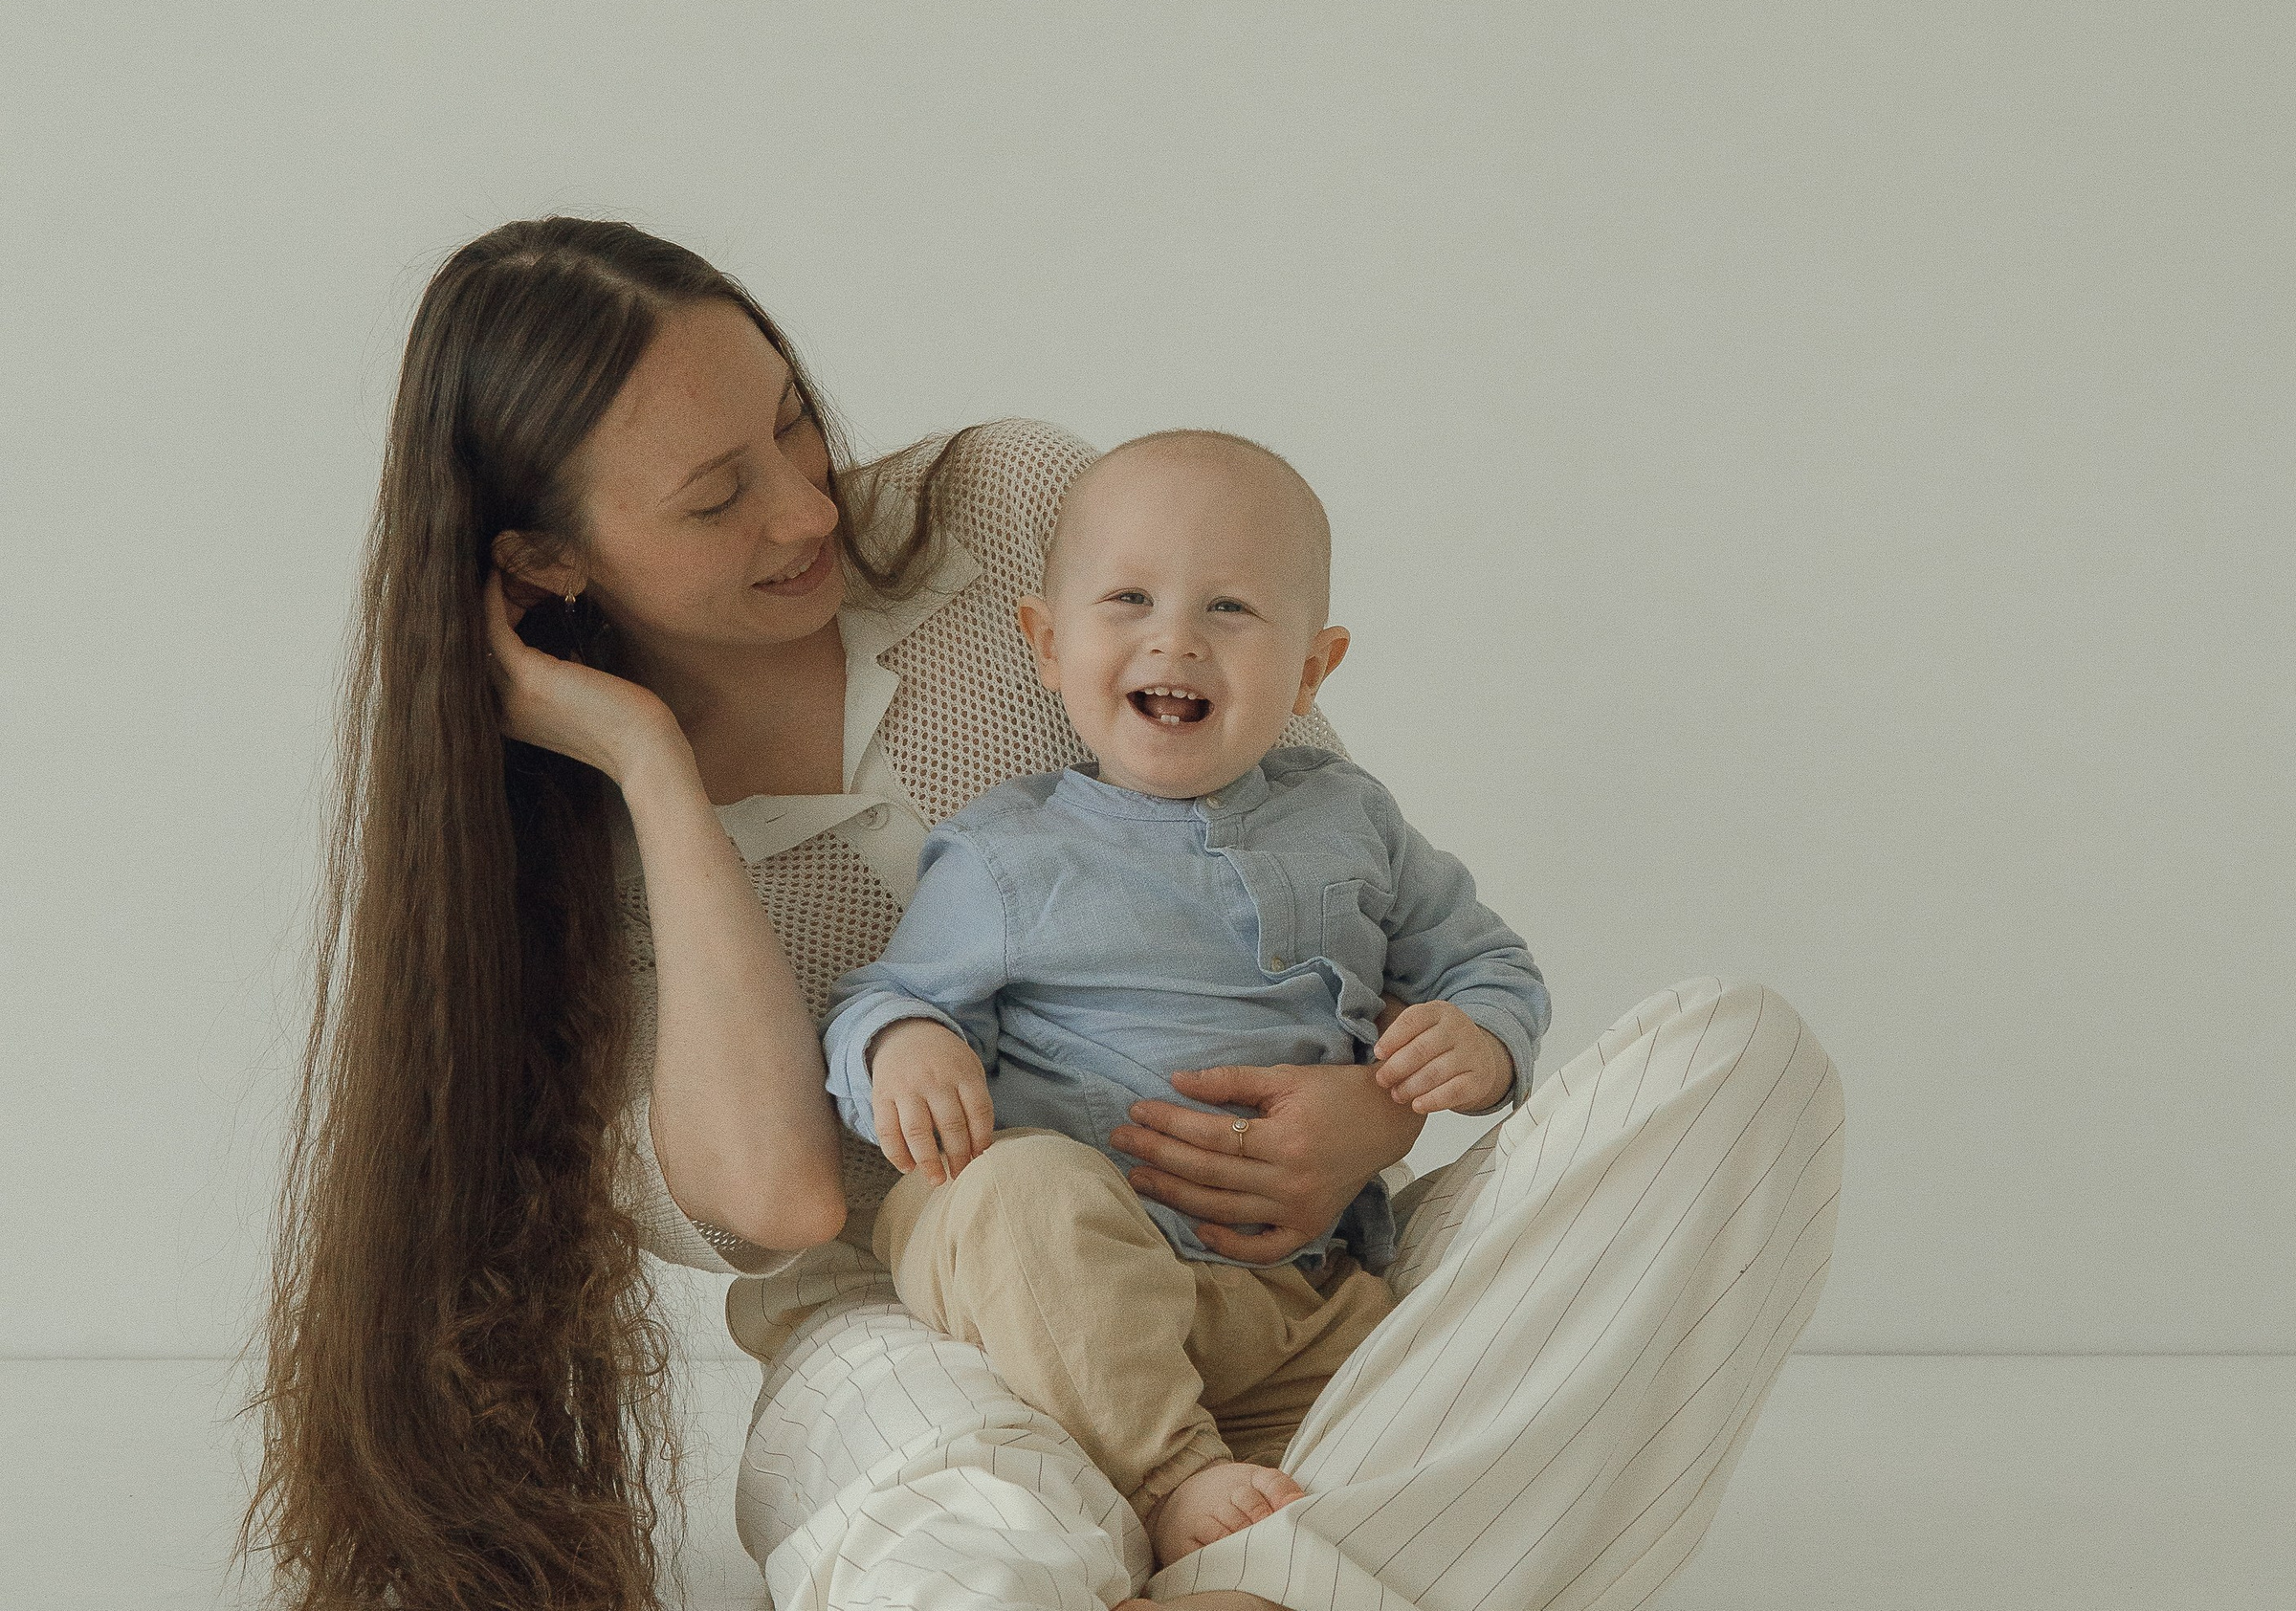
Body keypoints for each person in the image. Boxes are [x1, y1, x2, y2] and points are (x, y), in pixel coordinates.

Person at [248, 214, 1846, 1611]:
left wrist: (1368, 1113)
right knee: (961, 1543)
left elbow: (1310, 827)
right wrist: (652, 767)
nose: (807, 510)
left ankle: (1219, 1566)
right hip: (934, 1333)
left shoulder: (1007, 507)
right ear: (544, 559)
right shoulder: (555, 877)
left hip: (1304, 1286)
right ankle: (1325, 1557)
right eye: (718, 496)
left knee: (1736, 1062)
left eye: (795, 427)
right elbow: (790, 1202)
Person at [822, 430, 1551, 1566]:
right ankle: (1168, 1474)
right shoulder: (1007, 849)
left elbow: (1484, 966)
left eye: (1230, 610)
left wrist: (1480, 1043)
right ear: (1046, 644)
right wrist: (907, 1042)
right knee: (1021, 1188)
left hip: (1296, 1298)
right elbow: (887, 993)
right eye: (1128, 599)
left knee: (1475, 1388)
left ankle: (1243, 1532)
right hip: (1076, 1279)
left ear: (1313, 669)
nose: (1175, 637)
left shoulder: (1350, 817)